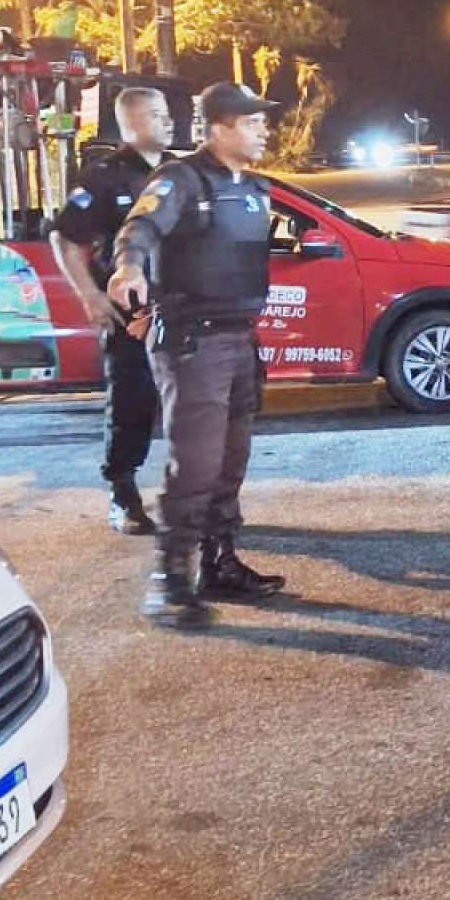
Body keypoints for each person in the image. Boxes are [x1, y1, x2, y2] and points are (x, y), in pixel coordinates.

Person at [106, 82, 286, 627]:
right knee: (196, 467)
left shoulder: (255, 189)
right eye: (253, 123)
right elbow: (140, 226)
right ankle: (170, 582)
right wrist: (129, 265)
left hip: (238, 341)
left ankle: (219, 562)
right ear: (221, 128)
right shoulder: (180, 180)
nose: (263, 131)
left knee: (230, 462)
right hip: (194, 342)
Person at [48, 82, 175, 534]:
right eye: (158, 114)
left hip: (180, 309)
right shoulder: (105, 178)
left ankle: (191, 497)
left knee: (189, 404)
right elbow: (64, 237)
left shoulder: (180, 172)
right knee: (133, 402)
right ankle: (122, 495)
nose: (169, 120)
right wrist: (89, 294)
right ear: (133, 122)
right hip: (135, 313)